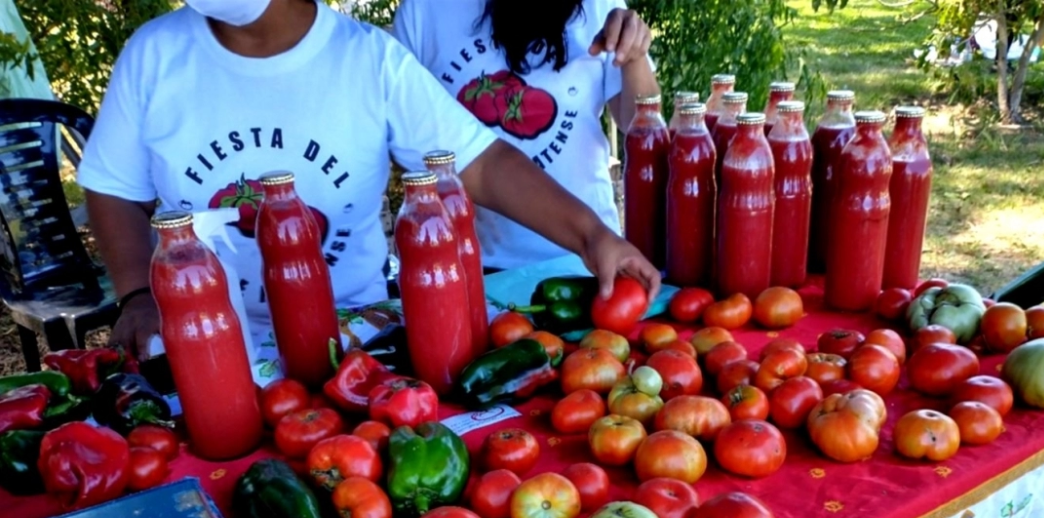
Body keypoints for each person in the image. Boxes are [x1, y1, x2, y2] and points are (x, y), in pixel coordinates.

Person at [78, 0, 660, 359]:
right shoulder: (152, 56)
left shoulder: (369, 61)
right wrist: (135, 294)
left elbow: (481, 162)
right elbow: (111, 184)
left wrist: (593, 236)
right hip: (205, 337)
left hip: (356, 338)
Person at [391, 0, 660, 271]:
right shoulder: (421, 11)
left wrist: (633, 56)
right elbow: (416, 151)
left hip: (592, 260)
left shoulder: (596, 5)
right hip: (478, 270)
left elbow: (637, 123)